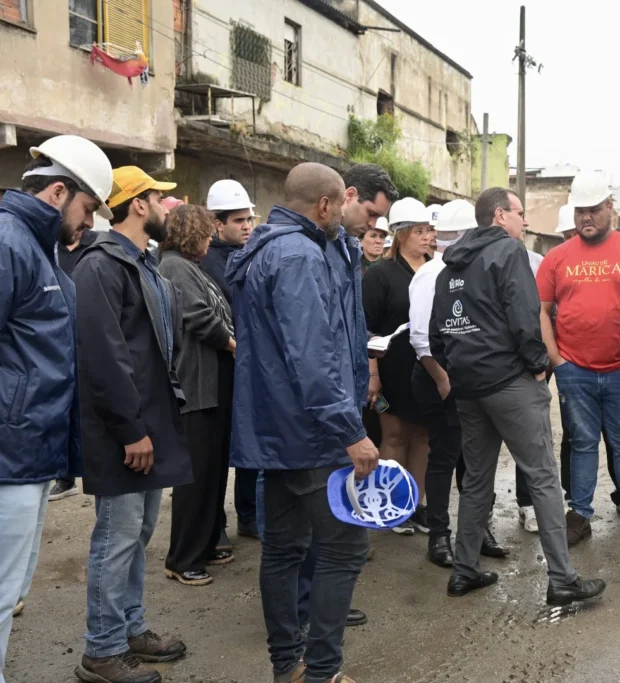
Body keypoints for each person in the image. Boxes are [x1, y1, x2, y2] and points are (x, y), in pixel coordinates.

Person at [226, 162, 379, 683]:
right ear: (325, 206)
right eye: (342, 206)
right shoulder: (297, 256)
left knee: (285, 549)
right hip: (313, 432)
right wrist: (350, 432)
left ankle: (288, 666)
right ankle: (321, 673)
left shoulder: (278, 246)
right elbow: (313, 359)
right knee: (344, 547)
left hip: (281, 430)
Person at [430, 187, 606, 606]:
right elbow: (526, 317)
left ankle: (465, 570)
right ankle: (562, 580)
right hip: (509, 382)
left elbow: (438, 335)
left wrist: (459, 368)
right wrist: (536, 365)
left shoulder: (447, 267)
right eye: (519, 213)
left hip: (468, 387)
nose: (524, 221)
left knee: (475, 480)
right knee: (543, 478)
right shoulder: (508, 254)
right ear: (498, 216)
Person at [0, 135, 112, 683]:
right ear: (59, 192)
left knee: (10, 592)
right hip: (9, 452)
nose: (89, 222)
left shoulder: (36, 244)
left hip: (29, 451)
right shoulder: (8, 241)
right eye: (88, 209)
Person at [74, 166, 192, 682]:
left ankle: (130, 629)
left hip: (147, 424)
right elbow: (103, 358)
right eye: (159, 200)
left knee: (138, 532)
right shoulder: (101, 266)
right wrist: (130, 430)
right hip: (124, 431)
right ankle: (101, 649)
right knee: (116, 536)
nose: (169, 208)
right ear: (138, 205)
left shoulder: (140, 262)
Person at [537, 170, 620, 547]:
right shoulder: (557, 257)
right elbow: (542, 312)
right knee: (581, 443)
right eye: (579, 212)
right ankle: (580, 515)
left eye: (593, 210)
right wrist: (557, 361)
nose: (585, 218)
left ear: (610, 207)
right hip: (574, 369)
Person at [408, 199, 509, 565]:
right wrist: (443, 379)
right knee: (445, 457)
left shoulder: (477, 269)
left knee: (475, 459)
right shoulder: (431, 274)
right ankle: (438, 536)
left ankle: (477, 529)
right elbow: (421, 339)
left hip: (471, 377)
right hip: (440, 377)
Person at [159, 205, 237, 586]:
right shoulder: (174, 266)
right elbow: (199, 318)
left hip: (213, 381)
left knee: (212, 472)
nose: (210, 241)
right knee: (195, 477)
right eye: (206, 235)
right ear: (191, 235)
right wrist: (234, 344)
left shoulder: (191, 267)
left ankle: (204, 544)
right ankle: (182, 557)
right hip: (197, 385)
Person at [362, 197, 433, 534]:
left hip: (427, 368)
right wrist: (372, 374)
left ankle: (417, 503)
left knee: (422, 435)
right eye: (419, 230)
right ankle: (391, 503)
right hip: (390, 369)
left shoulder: (436, 269)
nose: (427, 236)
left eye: (429, 230)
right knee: (394, 436)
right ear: (402, 234)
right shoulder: (380, 275)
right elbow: (367, 328)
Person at [201, 179, 258, 542]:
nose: (247, 227)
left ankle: (250, 515)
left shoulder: (255, 254)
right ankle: (214, 523)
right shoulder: (204, 260)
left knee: (253, 443)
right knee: (218, 450)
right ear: (217, 224)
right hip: (219, 365)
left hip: (252, 364)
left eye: (249, 219)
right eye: (239, 220)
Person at [49, 192, 103, 503]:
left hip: (89, 336)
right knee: (64, 408)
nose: (86, 223)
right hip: (62, 340)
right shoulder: (51, 249)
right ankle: (64, 476)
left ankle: (90, 469)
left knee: (89, 409)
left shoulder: (96, 244)